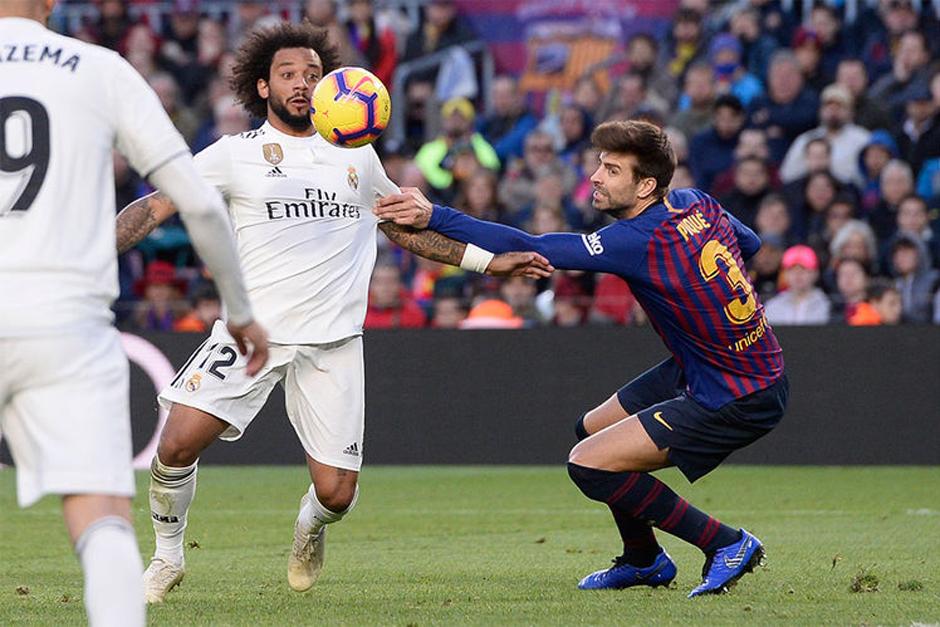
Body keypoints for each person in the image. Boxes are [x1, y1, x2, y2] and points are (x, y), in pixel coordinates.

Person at [114, 22, 551, 604]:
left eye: (313, 75)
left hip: (334, 342)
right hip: (253, 335)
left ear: (330, 86)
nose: (302, 84)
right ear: (263, 87)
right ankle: (167, 558)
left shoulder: (355, 154)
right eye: (289, 75)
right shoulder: (233, 155)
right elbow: (157, 205)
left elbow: (403, 228)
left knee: (337, 495)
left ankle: (309, 528)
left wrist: (487, 263)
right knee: (174, 446)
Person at [376, 120, 788, 597]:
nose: (595, 176)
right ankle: (644, 559)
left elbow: (531, 246)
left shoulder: (636, 239)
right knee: (592, 429)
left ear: (646, 186)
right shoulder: (697, 202)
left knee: (588, 464)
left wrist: (435, 214)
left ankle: (724, 543)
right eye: (599, 164)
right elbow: (752, 246)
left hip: (737, 391)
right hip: (716, 364)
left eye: (612, 170)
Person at [0, 2, 266, 626]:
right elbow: (195, 201)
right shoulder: (99, 68)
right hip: (66, 322)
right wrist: (240, 308)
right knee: (102, 524)